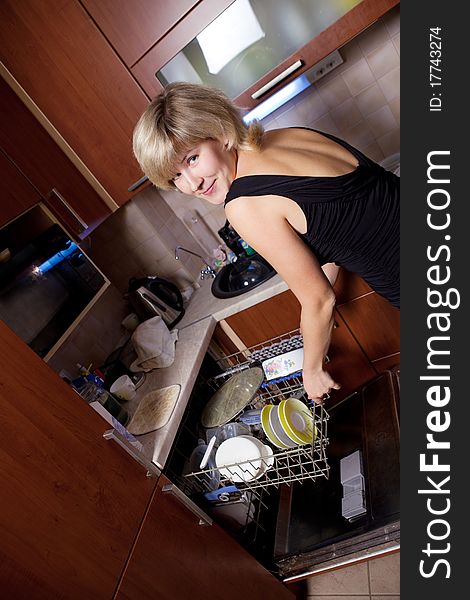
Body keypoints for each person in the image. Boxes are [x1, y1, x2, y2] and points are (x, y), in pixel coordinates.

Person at [132, 82, 400, 405]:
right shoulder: (278, 138)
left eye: (191, 159)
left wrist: (311, 370)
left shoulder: (243, 203)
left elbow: (319, 300)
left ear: (219, 131)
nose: (192, 184)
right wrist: (312, 330)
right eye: (175, 177)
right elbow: (337, 224)